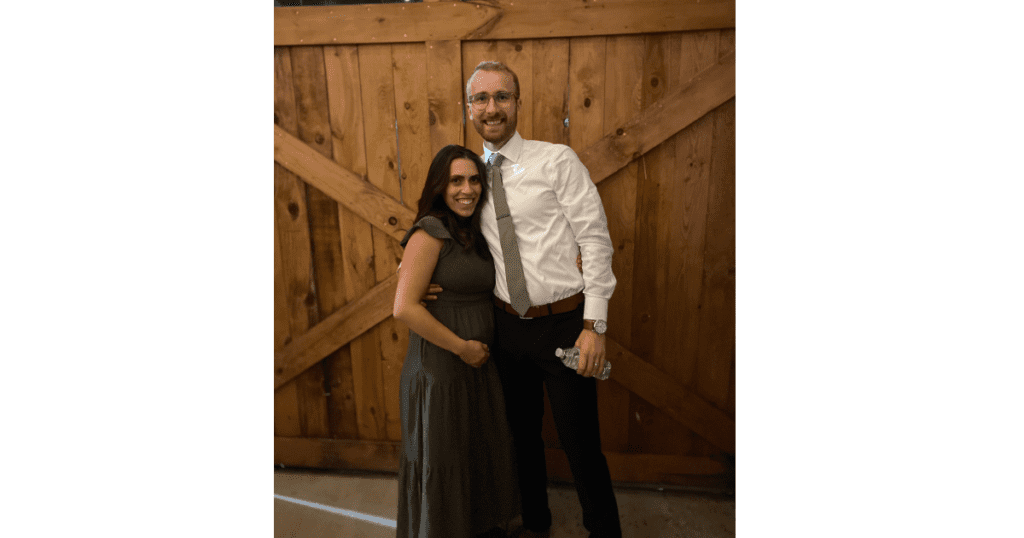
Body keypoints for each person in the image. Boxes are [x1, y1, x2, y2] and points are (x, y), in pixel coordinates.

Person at [466, 61, 622, 538]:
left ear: (517, 103)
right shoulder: (467, 176)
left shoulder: (556, 161)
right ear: (469, 108)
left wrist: (594, 327)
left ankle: (605, 532)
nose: (491, 108)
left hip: (563, 326)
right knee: (521, 443)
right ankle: (536, 526)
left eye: (502, 97)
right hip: (506, 330)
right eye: (481, 98)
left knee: (581, 445)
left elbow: (594, 240)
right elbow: (444, 234)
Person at [392, 145, 520, 538]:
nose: (467, 189)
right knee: (443, 460)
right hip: (442, 367)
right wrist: (462, 347)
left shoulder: (473, 230)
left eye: (474, 180)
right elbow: (404, 308)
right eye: (456, 181)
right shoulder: (431, 230)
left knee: (473, 453)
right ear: (439, 186)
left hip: (476, 367)